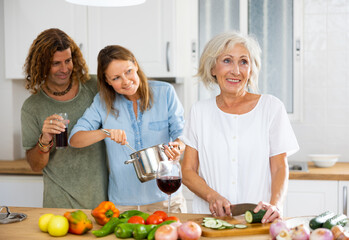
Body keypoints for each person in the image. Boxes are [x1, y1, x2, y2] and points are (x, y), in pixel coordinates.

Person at [181, 31, 299, 222]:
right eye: (227, 60)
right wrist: (212, 196)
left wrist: (275, 204)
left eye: (243, 62)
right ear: (213, 68)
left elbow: (279, 168)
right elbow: (187, 171)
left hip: (259, 220)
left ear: (251, 69)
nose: (236, 71)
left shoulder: (271, 107)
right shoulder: (199, 111)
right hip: (211, 222)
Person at [69, 45, 187, 213]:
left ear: (136, 65)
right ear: (107, 80)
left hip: (167, 199)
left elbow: (182, 134)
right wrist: (105, 132)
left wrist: (178, 147)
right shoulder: (102, 102)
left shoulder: (165, 92)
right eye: (116, 77)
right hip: (123, 204)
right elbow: (75, 139)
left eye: (128, 71)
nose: (126, 81)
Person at [21, 28, 108, 209]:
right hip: (59, 202)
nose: (64, 69)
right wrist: (45, 140)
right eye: (56, 63)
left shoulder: (95, 86)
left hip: (102, 199)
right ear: (41, 65)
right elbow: (36, 165)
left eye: (68, 60)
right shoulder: (32, 107)